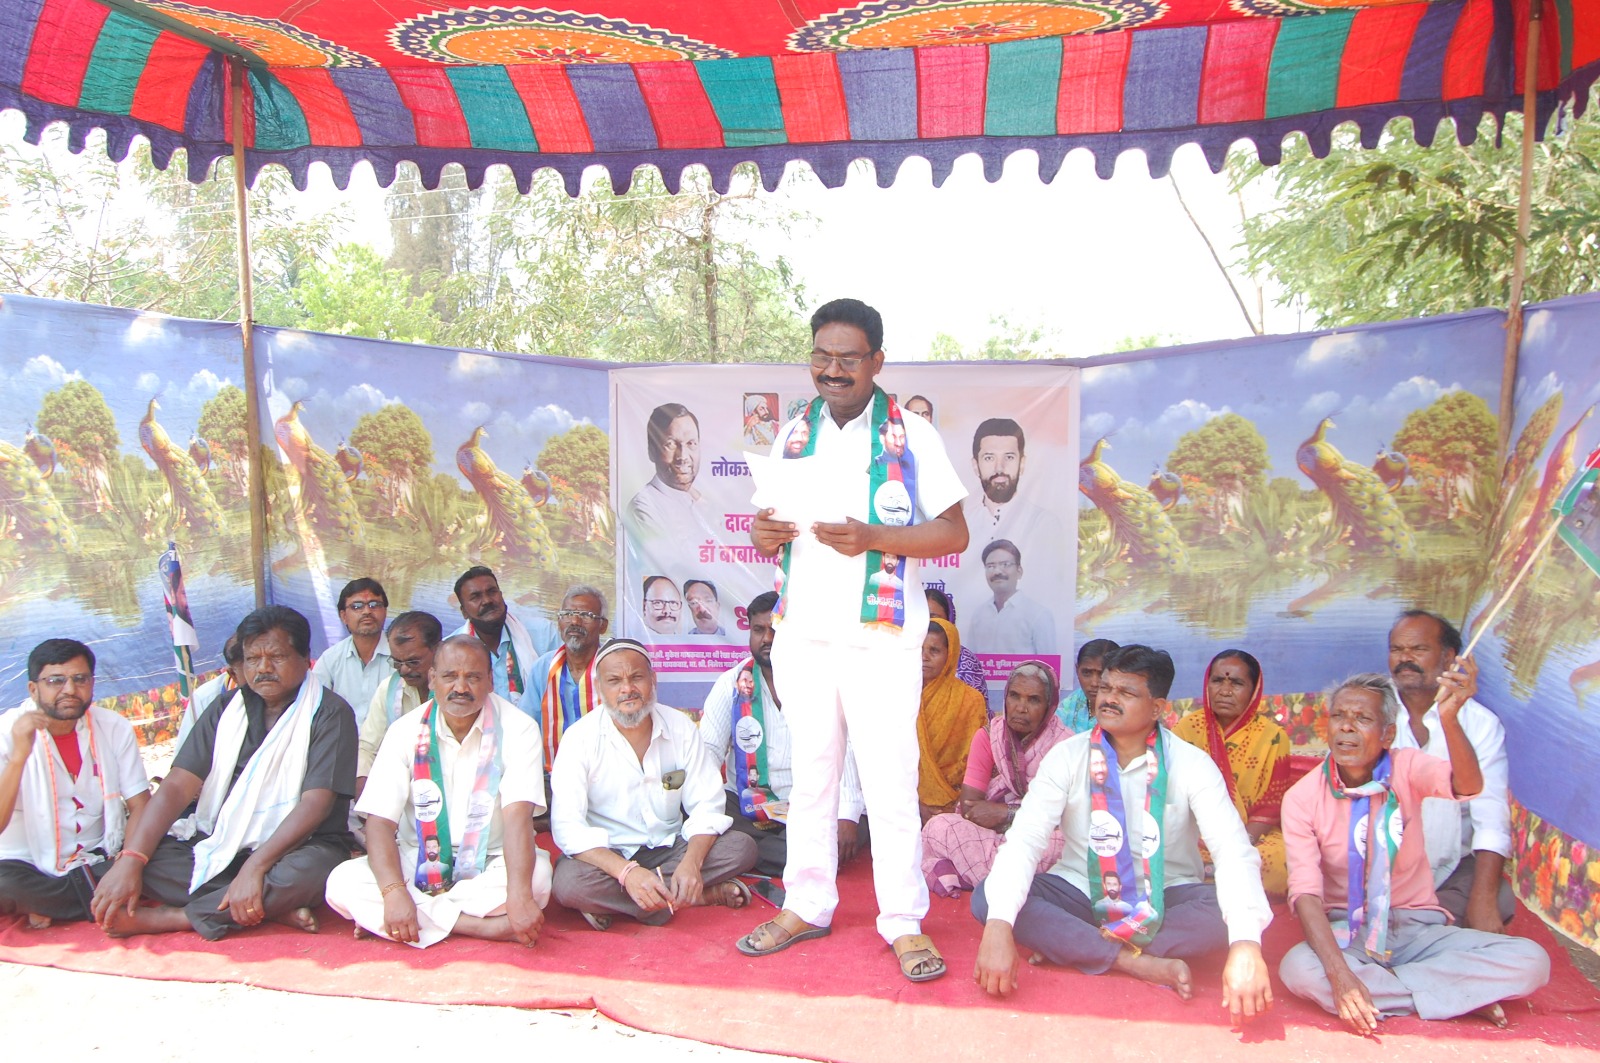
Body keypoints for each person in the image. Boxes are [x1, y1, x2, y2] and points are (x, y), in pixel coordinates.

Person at [738, 297, 970, 984]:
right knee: (812, 779)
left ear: (876, 361)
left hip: (880, 638)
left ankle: (902, 920)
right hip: (803, 636)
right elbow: (767, 526)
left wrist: (874, 537)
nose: (832, 370)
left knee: (889, 781)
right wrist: (762, 533)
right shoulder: (793, 432)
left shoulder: (912, 434)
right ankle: (806, 903)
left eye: (847, 358)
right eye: (821, 356)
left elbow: (955, 532)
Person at [973, 645, 1274, 1021]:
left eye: (1126, 692)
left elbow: (1232, 852)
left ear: (1157, 708)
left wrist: (1246, 945)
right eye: (1106, 688)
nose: (1109, 699)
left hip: (1164, 895)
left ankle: (1075, 944)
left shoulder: (1192, 765)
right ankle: (1136, 961)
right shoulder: (1068, 756)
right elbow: (1025, 840)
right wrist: (998, 926)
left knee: (1222, 914)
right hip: (1081, 889)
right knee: (988, 898)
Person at [1278, 669, 1549, 1033]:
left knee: (1532, 961)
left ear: (1388, 734)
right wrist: (1340, 974)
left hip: (1419, 931)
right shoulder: (1302, 798)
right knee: (1298, 969)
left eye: (1362, 718)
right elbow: (1306, 893)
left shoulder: (1405, 766)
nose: (1346, 727)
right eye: (1339, 716)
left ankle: (1399, 992)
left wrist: (1449, 718)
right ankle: (1456, 994)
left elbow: (1468, 785)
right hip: (1349, 933)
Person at [90, 606, 358, 940]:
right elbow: (177, 785)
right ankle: (264, 904)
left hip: (300, 848)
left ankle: (178, 917)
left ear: (306, 659)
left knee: (313, 872)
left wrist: (256, 867)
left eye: (276, 657)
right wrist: (131, 859)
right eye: (253, 659)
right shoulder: (225, 708)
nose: (263, 668)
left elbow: (315, 804)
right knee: (150, 858)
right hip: (220, 840)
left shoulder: (331, 713)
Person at [325, 636, 551, 949]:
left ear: (490, 681)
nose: (461, 688)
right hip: (417, 858)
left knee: (537, 880)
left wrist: (519, 895)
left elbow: (518, 818)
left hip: (493, 859)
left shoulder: (519, 728)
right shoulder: (404, 730)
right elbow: (379, 822)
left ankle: (405, 921)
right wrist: (394, 892)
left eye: (473, 677)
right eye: (449, 676)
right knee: (342, 882)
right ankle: (479, 926)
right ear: (432, 679)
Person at [550, 640, 758, 929]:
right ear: (599, 688)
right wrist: (626, 873)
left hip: (670, 846)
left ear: (653, 680)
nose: (627, 689)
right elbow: (568, 828)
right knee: (569, 884)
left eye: (636, 677)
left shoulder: (681, 728)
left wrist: (692, 863)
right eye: (614, 681)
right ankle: (695, 896)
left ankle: (626, 903)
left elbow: (707, 805)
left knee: (741, 848)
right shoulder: (579, 739)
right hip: (610, 856)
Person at [700, 592, 867, 877]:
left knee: (846, 829)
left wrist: (847, 814)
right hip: (746, 804)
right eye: (758, 630)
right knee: (709, 818)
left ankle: (751, 854)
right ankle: (793, 856)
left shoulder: (823, 680)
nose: (767, 638)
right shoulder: (731, 683)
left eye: (776, 630)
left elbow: (847, 747)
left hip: (812, 802)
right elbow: (708, 751)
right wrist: (700, 811)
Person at [0, 640, 151, 927]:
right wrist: (19, 756)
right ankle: (100, 900)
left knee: (160, 856)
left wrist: (126, 864)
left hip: (101, 857)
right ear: (33, 689)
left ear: (92, 683)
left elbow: (141, 805)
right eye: (55, 680)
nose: (69, 689)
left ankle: (52, 904)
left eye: (80, 679)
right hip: (22, 865)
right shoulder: (6, 732)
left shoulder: (113, 727)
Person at [1386, 610, 1514, 930]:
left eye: (1418, 649)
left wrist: (1482, 901)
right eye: (1397, 649)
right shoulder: (1371, 709)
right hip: (1378, 871)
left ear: (1449, 658)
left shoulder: (1481, 724)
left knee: (1496, 898)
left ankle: (1414, 930)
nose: (1405, 658)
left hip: (1449, 870)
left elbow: (1491, 819)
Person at [921, 661, 1069, 897]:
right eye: (1014, 696)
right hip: (989, 836)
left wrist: (1005, 813)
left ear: (1049, 706)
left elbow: (1067, 816)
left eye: (1034, 700)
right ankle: (1018, 881)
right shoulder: (989, 737)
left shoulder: (1065, 746)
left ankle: (986, 878)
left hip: (1040, 836)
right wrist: (1001, 818)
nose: (1021, 708)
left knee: (1062, 844)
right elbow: (970, 808)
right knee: (939, 827)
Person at [1172, 650, 1290, 898]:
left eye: (1236, 683)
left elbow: (1271, 804)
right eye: (1217, 681)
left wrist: (1238, 843)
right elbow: (1173, 794)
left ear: (1254, 690)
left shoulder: (1272, 737)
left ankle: (1210, 877)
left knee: (1277, 858)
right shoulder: (1186, 730)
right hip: (1194, 834)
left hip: (1249, 834)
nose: (1225, 691)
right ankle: (1220, 878)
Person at [961, 418, 1066, 584]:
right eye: (989, 458)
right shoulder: (964, 525)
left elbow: (1051, 585)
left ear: (1022, 464)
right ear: (975, 466)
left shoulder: (1044, 524)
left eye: (1009, 457)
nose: (999, 468)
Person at [527, 585, 609, 770]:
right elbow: (526, 724)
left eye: (586, 615)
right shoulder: (543, 667)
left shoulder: (613, 667)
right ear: (558, 622)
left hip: (605, 774)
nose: (575, 621)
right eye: (567, 614)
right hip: (551, 774)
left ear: (603, 626)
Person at [450, 566, 558, 705]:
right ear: (464, 611)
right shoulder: (450, 651)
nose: (487, 601)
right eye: (475, 597)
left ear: (501, 595)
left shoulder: (544, 633)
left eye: (492, 592)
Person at [358, 611, 442, 786]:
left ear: (437, 650)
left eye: (413, 662)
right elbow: (368, 748)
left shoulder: (456, 691)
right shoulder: (389, 689)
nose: (403, 670)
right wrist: (362, 787)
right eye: (397, 662)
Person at [917, 619, 988, 822]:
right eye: (919, 649)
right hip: (906, 802)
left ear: (951, 654)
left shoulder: (970, 700)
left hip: (958, 805)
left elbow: (977, 761)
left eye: (934, 650)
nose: (924, 657)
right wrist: (915, 803)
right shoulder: (902, 696)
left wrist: (954, 807)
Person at [626, 402, 712, 545]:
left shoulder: (700, 503)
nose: (683, 456)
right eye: (670, 444)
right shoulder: (643, 508)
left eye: (691, 443)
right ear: (652, 452)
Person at [311, 577, 392, 727]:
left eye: (374, 605)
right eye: (357, 606)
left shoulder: (401, 657)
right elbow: (313, 706)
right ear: (343, 616)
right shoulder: (330, 659)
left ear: (385, 612)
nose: (367, 611)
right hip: (343, 739)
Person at [965, 540, 1057, 657]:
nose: (997, 571)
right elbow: (970, 662)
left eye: (1005, 564)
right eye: (991, 566)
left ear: (1019, 571)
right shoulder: (979, 615)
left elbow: (1048, 666)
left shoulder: (1039, 615)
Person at [177, 634, 243, 749]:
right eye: (253, 661)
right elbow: (186, 753)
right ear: (233, 673)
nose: (264, 668)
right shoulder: (205, 698)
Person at [925, 588, 985, 696]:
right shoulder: (904, 653)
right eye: (920, 617)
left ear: (949, 619)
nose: (927, 623)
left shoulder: (967, 661)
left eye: (933, 617)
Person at [1056, 638, 1118, 733]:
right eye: (1087, 673)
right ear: (1077, 670)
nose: (1094, 683)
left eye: (1102, 674)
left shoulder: (1125, 710)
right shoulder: (1069, 705)